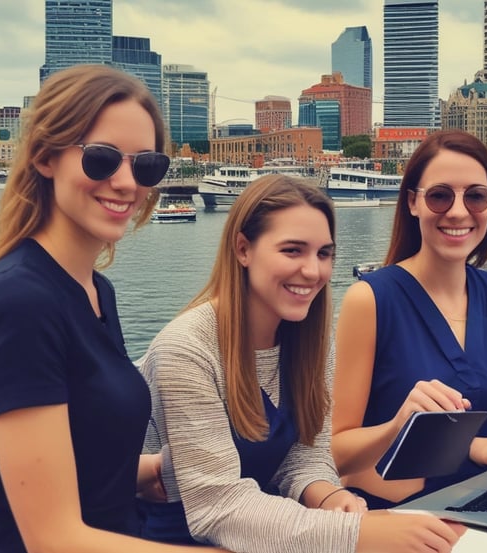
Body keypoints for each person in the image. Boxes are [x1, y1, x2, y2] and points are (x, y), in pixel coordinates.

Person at [0, 64, 227, 553]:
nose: (125, 183)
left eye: (145, 166)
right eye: (101, 159)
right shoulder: (21, 303)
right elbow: (53, 538)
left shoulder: (94, 290)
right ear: (44, 157)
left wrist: (153, 469)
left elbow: (76, 454)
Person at [137, 174, 466, 552]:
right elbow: (217, 505)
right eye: (293, 250)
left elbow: (306, 455)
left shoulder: (308, 341)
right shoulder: (187, 348)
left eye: (324, 253)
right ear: (243, 249)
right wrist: (357, 534)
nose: (313, 271)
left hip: (270, 533)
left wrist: (328, 497)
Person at [331, 129, 487, 509]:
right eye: (440, 195)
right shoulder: (370, 300)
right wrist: (468, 445)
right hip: (405, 514)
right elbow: (338, 453)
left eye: (476, 196)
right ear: (413, 202)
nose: (459, 211)